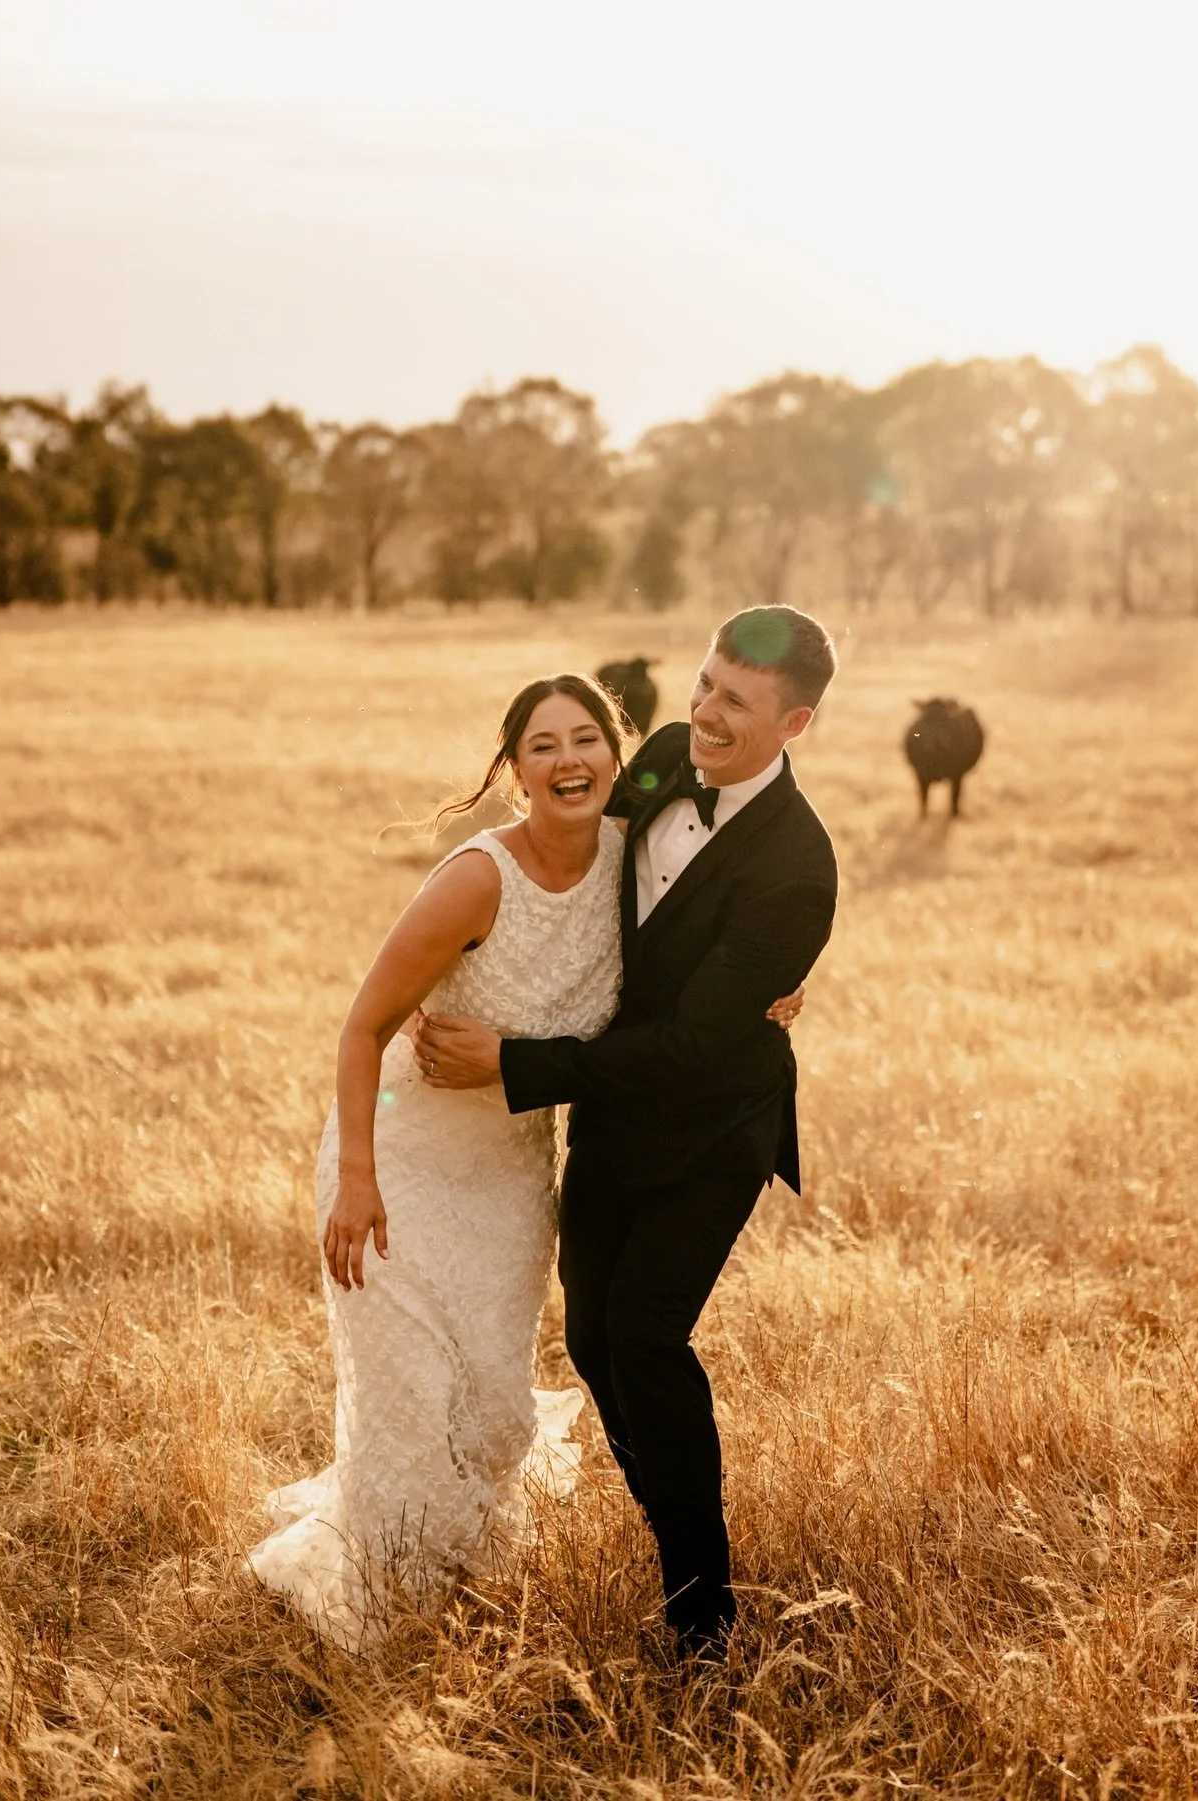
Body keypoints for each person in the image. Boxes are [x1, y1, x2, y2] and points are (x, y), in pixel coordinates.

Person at [247, 671, 802, 1648]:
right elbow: (364, 1029)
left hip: (510, 1183)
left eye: (586, 739)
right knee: (410, 1403)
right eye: (541, 745)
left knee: (493, 1411)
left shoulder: (633, 863)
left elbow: (721, 938)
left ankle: (461, 1594)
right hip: (402, 1172)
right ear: (513, 769)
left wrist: (778, 991)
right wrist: (359, 1179)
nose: (568, 759)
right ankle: (386, 1617)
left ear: (616, 760)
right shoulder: (474, 878)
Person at [416, 606, 839, 1660]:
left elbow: (697, 1045)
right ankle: (674, 1523)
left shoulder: (797, 864)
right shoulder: (656, 760)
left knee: (647, 1337)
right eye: (704, 683)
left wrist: (515, 1066)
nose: (703, 711)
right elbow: (577, 847)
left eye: (735, 702)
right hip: (610, 1114)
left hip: (713, 1128)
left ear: (795, 722)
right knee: (595, 1340)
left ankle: (704, 1610)